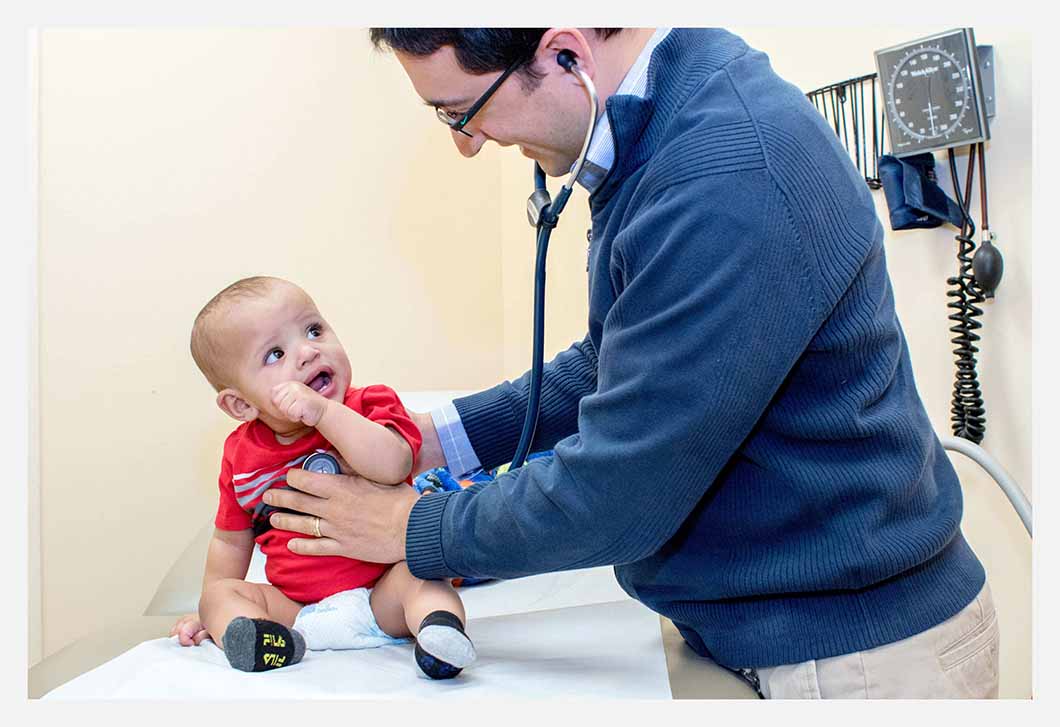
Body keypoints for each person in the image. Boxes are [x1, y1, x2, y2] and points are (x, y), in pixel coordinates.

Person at [261, 28, 999, 698]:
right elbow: (621, 356)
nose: (468, 143)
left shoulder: (725, 174)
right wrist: (435, 435)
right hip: (766, 628)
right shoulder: (668, 109)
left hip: (858, 655)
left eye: (462, 111)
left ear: (564, 55)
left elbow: (619, 493)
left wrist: (410, 525)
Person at [170, 275, 476, 679]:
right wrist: (212, 608)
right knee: (220, 596)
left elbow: (395, 465)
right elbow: (229, 539)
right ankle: (261, 639)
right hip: (295, 611)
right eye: (275, 353)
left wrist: (325, 415)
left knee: (424, 576)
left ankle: (439, 636)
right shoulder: (239, 456)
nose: (308, 351)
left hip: (382, 595)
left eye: (313, 330)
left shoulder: (370, 404)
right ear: (240, 403)